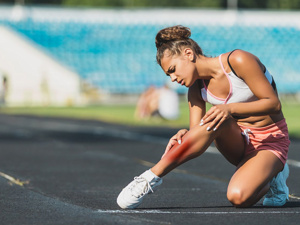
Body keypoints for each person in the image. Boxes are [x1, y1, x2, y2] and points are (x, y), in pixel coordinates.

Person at [117, 25, 290, 209]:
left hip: (270, 141)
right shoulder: (195, 90)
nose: (173, 78)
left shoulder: (238, 60)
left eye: (173, 69)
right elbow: (199, 132)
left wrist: (229, 109)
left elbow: (273, 103)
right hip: (237, 143)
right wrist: (185, 135)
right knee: (213, 119)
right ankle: (149, 178)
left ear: (188, 54)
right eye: (169, 75)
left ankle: (274, 174)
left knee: (238, 197)